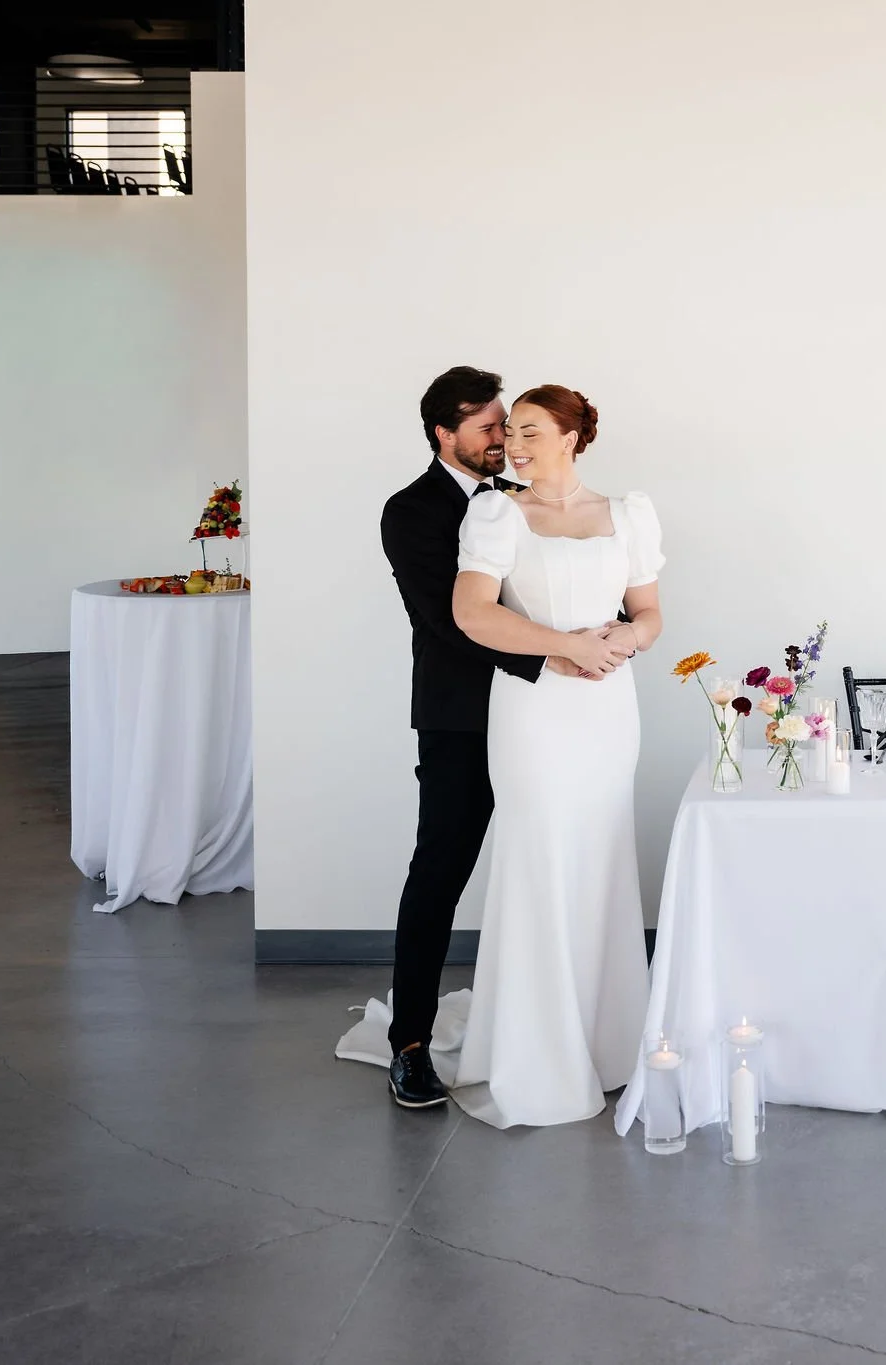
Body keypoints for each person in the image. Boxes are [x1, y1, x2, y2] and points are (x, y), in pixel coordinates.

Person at [358, 367, 623, 1110]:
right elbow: (447, 620)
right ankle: (408, 1043)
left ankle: (567, 1031)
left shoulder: (516, 500)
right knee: (440, 870)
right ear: (445, 434)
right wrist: (556, 651)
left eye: (509, 425)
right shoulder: (408, 511)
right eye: (488, 428)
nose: (505, 439)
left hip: (552, 718)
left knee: (557, 868)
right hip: (464, 717)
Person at [436, 383, 661, 1127]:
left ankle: (608, 1047)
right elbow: (472, 613)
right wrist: (565, 645)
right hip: (534, 711)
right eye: (511, 434)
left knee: (601, 858)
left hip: (608, 709)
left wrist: (622, 640)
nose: (515, 445)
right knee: (540, 857)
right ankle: (538, 1055)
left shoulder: (625, 513)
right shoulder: (498, 511)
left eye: (531, 431)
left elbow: (650, 612)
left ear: (571, 436)